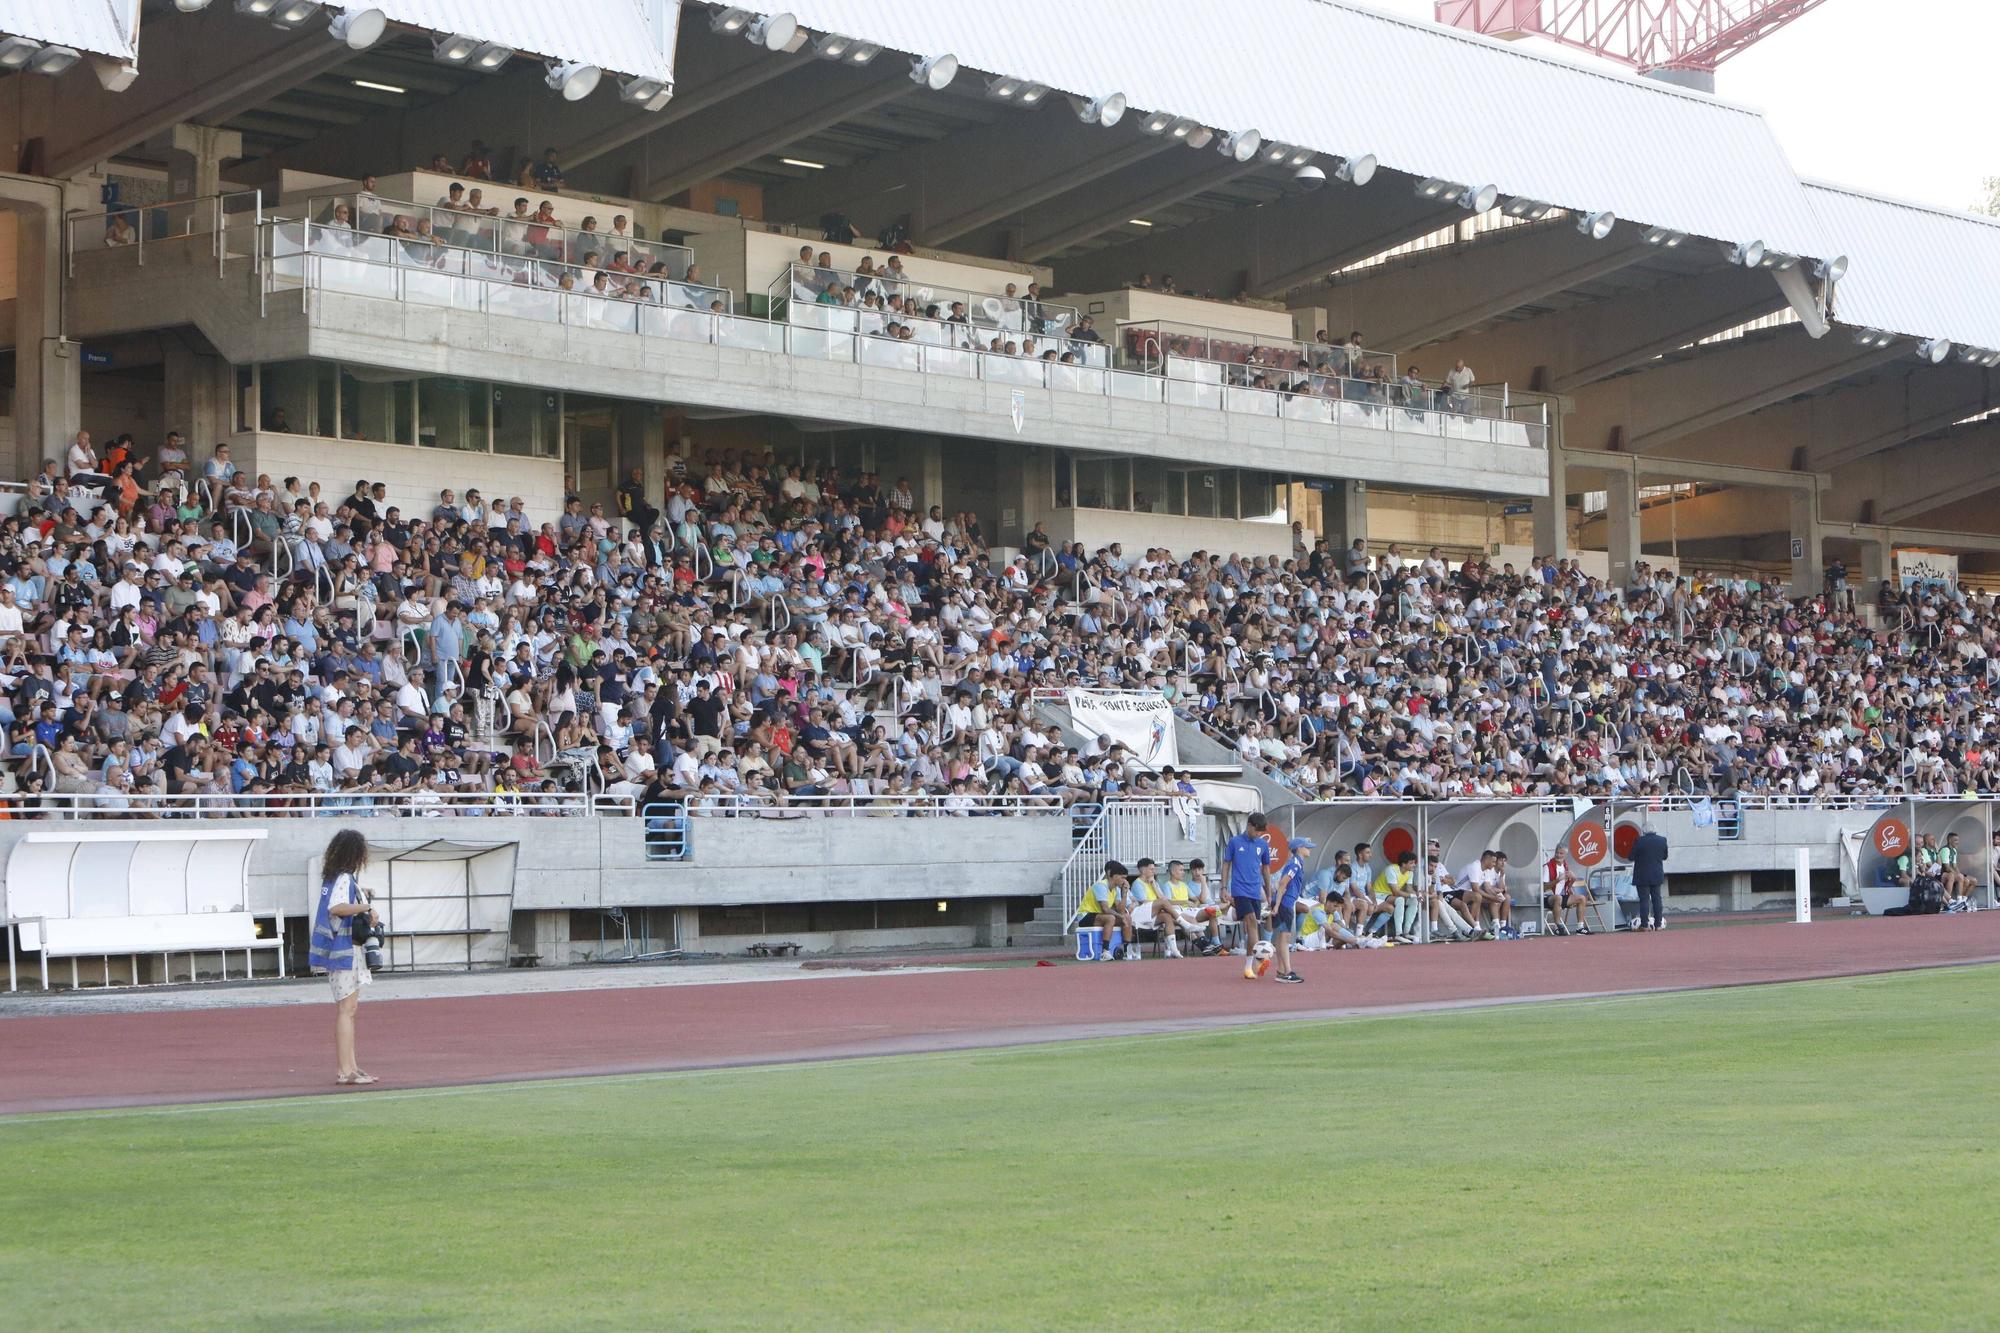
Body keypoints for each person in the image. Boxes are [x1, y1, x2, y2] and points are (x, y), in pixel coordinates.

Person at [308, 828, 378, 1085]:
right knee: (346, 1010)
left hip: (342, 948)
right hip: (344, 949)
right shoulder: (345, 879)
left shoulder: (337, 878)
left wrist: (362, 897)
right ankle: (346, 1070)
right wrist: (365, 906)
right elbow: (336, 908)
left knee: (349, 1009)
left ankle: (352, 1066)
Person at [1224, 812, 1276, 979]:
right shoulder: (1234, 842)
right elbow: (1226, 865)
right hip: (1239, 890)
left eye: (1261, 832)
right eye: (1257, 831)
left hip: (1255, 890)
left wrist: (1268, 893)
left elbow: (1266, 869)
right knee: (1252, 921)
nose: (1259, 835)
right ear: (1249, 826)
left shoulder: (1262, 844)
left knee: (1253, 926)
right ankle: (1260, 960)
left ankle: (1248, 966)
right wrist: (1224, 888)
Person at [1629, 822, 1669, 931]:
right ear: (1655, 830)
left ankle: (1645, 925)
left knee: (1644, 900)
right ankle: (1658, 924)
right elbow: (1665, 856)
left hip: (1642, 874)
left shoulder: (1639, 841)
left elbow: (1631, 857)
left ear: (1643, 831)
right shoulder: (1662, 840)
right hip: (1657, 873)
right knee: (1657, 899)